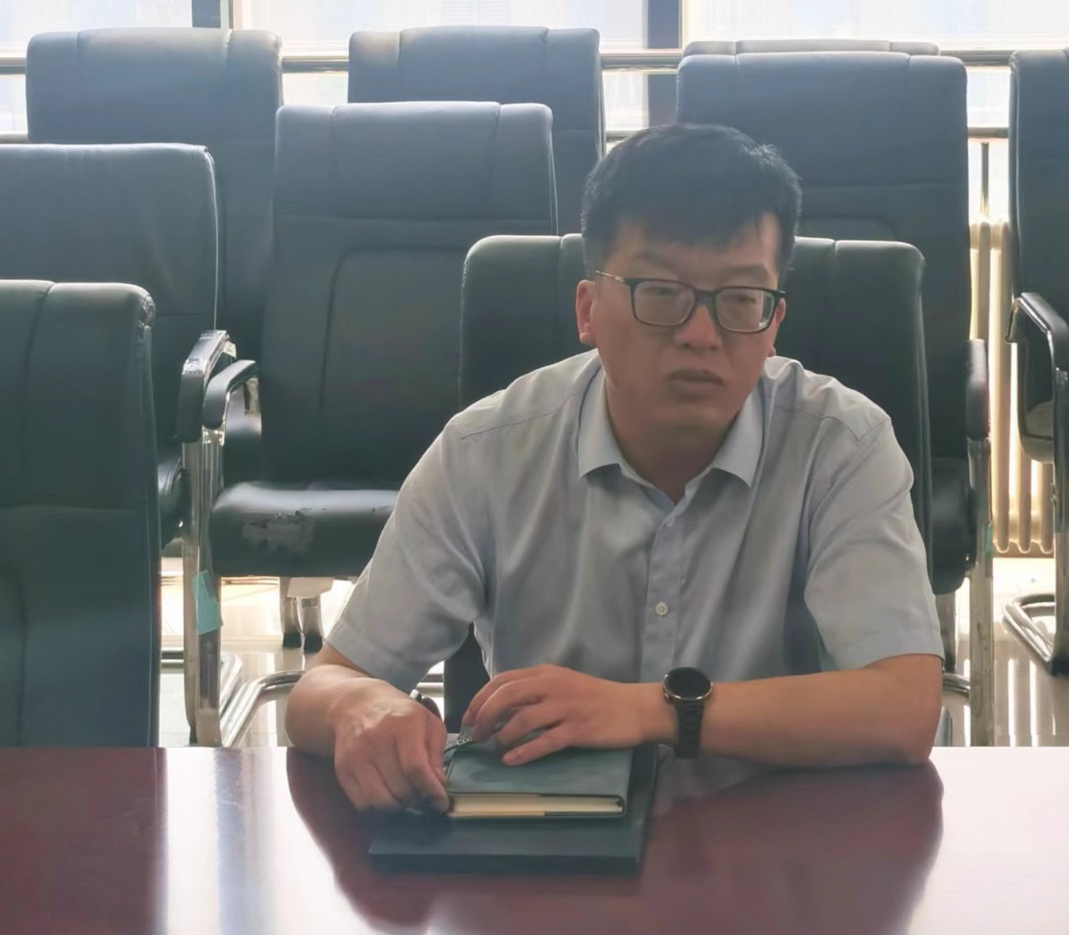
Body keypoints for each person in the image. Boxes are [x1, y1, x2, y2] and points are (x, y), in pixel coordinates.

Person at [285, 123, 943, 813]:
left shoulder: (840, 445)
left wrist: (652, 711)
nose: (701, 334)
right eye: (660, 293)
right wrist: (361, 707)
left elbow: (903, 706)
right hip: (548, 840)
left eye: (741, 299)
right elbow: (322, 688)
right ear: (587, 310)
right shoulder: (485, 450)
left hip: (776, 835)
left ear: (773, 321)